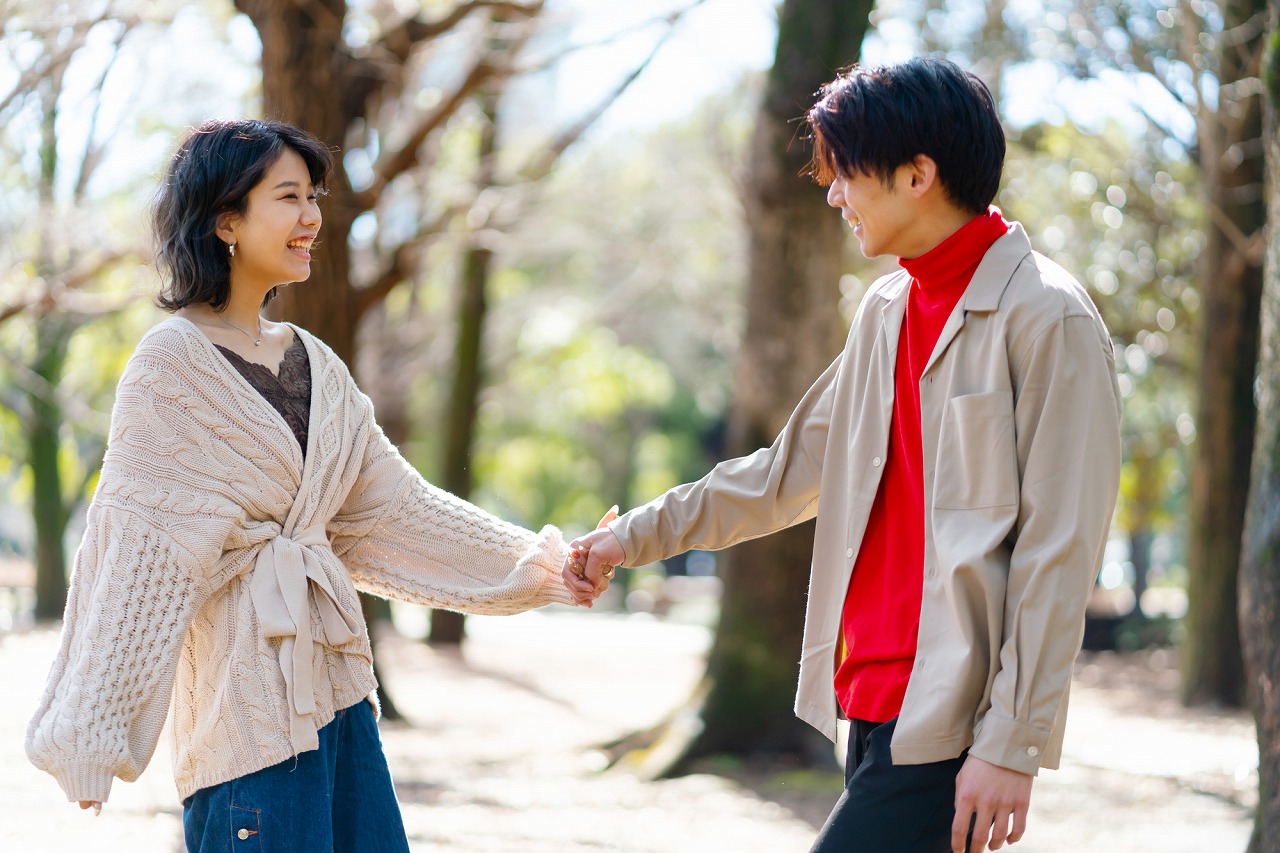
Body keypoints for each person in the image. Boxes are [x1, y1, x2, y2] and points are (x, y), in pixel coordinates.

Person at [564, 57, 1122, 853]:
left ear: (917, 174)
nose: (832, 196)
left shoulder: (1048, 317)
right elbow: (786, 471)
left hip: (954, 716)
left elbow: (1058, 548)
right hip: (866, 704)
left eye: (846, 174)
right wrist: (635, 535)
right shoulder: (886, 311)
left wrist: (1012, 742)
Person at [26, 118, 590, 853]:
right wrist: (93, 733)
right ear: (226, 219)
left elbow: (396, 509)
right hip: (243, 723)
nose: (312, 217)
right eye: (288, 197)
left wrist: (541, 565)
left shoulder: (317, 362)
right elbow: (135, 549)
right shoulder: (169, 368)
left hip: (340, 706)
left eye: (314, 196)